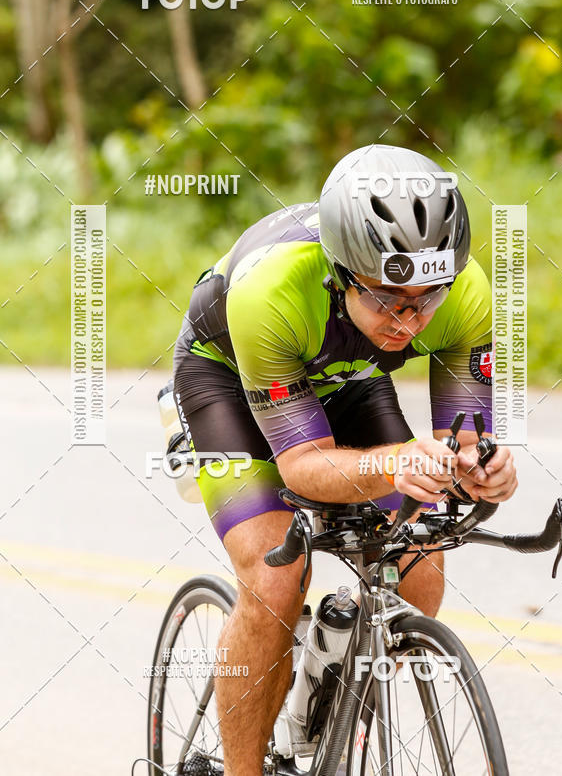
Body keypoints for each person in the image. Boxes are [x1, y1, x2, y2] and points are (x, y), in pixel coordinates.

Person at [172, 144, 517, 776]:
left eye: (429, 297)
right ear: (342, 273)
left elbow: (464, 446)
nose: (411, 321)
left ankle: (328, 670)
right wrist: (391, 467)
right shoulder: (271, 291)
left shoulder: (465, 296)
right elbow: (304, 467)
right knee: (276, 579)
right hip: (224, 376)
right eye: (390, 298)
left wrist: (485, 472)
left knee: (419, 576)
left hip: (347, 374)